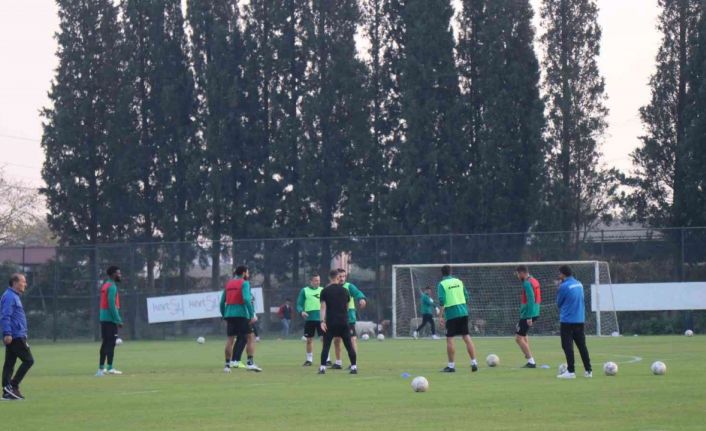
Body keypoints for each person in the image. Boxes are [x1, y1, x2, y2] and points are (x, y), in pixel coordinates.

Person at [437, 265, 478, 372]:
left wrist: (440, 317)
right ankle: (474, 362)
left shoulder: (442, 284)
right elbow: (467, 297)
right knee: (466, 337)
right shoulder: (459, 281)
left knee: (450, 339)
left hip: (451, 314)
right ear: (451, 272)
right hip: (463, 312)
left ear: (442, 273)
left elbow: (442, 301)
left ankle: (451, 366)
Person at [220, 266, 261, 373]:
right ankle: (250, 363)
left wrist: (224, 315)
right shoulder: (245, 283)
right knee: (250, 337)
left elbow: (222, 302)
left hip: (229, 314)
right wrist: (251, 314)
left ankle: (227, 366)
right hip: (241, 314)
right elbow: (247, 299)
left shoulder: (228, 283)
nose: (248, 274)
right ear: (243, 273)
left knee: (230, 339)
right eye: (247, 272)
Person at [318, 270, 357, 375]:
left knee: (326, 345)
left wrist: (322, 321)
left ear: (329, 278)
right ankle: (354, 367)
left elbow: (323, 307)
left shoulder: (325, 291)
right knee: (349, 346)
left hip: (331, 322)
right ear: (338, 277)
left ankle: (322, 368)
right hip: (343, 322)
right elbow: (347, 307)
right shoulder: (345, 291)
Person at [556, 265, 592, 379]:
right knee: (582, 346)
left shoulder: (564, 286)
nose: (559, 276)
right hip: (580, 319)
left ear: (563, 274)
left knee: (567, 346)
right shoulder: (579, 284)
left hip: (567, 320)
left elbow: (558, 303)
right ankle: (588, 371)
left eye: (559, 273)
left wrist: (559, 289)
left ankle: (571, 371)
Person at [1, 273, 33, 400]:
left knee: (9, 363)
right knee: (29, 360)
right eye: (23, 281)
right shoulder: (10, 297)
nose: (25, 284)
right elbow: (5, 316)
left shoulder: (13, 296)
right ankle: (13, 386)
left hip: (15, 334)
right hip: (15, 335)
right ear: (15, 283)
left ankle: (7, 391)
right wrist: (7, 333)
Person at [332, 268, 366, 370]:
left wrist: (361, 299)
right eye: (340, 276)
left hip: (349, 317)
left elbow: (358, 293)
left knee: (352, 339)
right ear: (336, 277)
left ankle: (353, 363)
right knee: (337, 340)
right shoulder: (332, 288)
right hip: (336, 317)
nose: (342, 278)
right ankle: (338, 363)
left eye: (344, 276)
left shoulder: (349, 286)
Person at [96, 266, 123, 376]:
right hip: (110, 319)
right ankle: (110, 368)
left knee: (105, 343)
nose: (120, 275)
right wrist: (118, 319)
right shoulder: (112, 286)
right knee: (111, 344)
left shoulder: (105, 285)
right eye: (118, 273)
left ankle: (101, 369)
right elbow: (112, 304)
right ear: (113, 274)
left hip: (103, 318)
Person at [296, 273, 325, 366]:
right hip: (310, 319)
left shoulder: (323, 290)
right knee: (309, 340)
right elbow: (299, 304)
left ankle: (327, 359)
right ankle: (309, 360)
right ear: (311, 281)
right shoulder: (304, 291)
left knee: (324, 339)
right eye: (316, 280)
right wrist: (301, 311)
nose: (318, 282)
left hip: (321, 319)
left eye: (319, 280)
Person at [515, 265, 541, 368]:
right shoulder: (534, 280)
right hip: (535, 312)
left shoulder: (527, 283)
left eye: (518, 274)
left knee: (518, 338)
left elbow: (531, 299)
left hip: (528, 314)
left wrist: (529, 317)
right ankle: (528, 355)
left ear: (522, 273)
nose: (517, 276)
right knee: (523, 334)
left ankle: (531, 361)